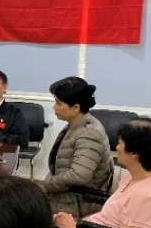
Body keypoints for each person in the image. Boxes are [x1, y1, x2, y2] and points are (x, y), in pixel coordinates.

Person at [44, 76, 114, 216]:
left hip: (78, 205)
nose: (54, 107)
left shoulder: (89, 134)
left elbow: (79, 175)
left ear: (76, 108)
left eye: (58, 103)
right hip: (68, 195)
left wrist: (50, 183)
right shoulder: (78, 124)